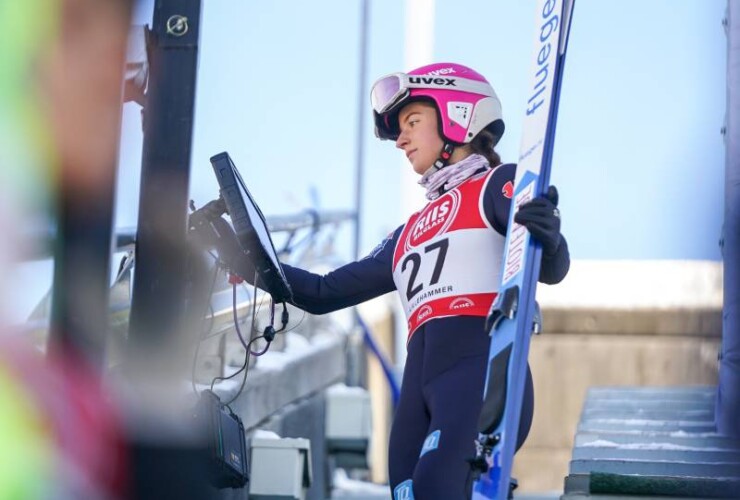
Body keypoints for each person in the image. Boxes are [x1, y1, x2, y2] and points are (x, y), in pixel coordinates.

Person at [216, 62, 569, 499]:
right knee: (406, 492)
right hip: (417, 393)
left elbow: (548, 269)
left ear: (459, 114)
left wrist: (549, 238)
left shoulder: (498, 183)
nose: (400, 140)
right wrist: (239, 254)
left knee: (441, 488)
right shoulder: (408, 232)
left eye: (412, 122)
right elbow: (322, 293)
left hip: (475, 375)